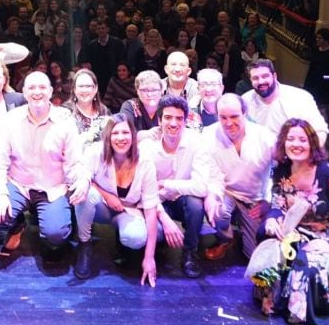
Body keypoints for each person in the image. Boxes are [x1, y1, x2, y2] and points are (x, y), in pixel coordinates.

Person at [256, 119, 329, 325]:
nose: (296, 144)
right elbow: (277, 205)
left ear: (312, 144)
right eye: (290, 139)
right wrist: (273, 220)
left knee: (304, 264)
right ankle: (275, 301)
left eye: (302, 139)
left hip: (328, 239)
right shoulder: (282, 170)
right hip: (295, 233)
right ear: (283, 143)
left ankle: (298, 309)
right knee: (265, 236)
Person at [0, 71, 89, 261]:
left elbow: (75, 162)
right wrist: (1, 194)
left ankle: (59, 223)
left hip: (52, 189)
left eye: (42, 87)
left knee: (55, 235)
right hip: (19, 185)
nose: (37, 92)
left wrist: (83, 179)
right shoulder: (11, 119)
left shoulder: (65, 122)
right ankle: (17, 225)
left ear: (51, 91)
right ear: (24, 93)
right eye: (31, 88)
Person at [73, 113, 159, 284]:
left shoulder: (145, 162)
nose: (121, 138)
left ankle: (124, 242)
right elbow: (84, 174)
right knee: (86, 193)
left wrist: (150, 258)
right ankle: (85, 245)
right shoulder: (95, 152)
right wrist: (105, 194)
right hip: (102, 208)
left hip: (128, 210)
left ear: (133, 135)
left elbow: (151, 211)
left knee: (136, 238)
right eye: (115, 133)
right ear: (108, 136)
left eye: (125, 133)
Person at [140, 95, 218, 278]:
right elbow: (145, 193)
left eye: (179, 118)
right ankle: (157, 245)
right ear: (159, 120)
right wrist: (165, 220)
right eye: (168, 117)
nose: (173, 123)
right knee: (157, 234)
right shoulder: (147, 147)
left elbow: (200, 187)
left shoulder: (197, 143)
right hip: (156, 204)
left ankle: (190, 251)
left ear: (185, 121)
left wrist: (167, 184)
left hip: (182, 200)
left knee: (195, 204)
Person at [202, 94, 275, 259]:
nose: (229, 123)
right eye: (223, 117)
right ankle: (225, 238)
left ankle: (245, 230)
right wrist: (212, 195)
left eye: (234, 116)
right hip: (227, 192)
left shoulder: (265, 137)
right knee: (217, 210)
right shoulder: (208, 135)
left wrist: (268, 201)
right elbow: (213, 175)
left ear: (245, 113)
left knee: (254, 257)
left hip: (255, 198)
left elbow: (278, 175)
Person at [242, 59, 329, 143]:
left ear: (274, 76)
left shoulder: (300, 97)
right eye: (255, 78)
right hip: (257, 156)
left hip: (291, 155)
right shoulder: (245, 100)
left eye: (265, 76)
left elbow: (320, 131)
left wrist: (306, 156)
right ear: (251, 80)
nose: (261, 81)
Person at [63, 69, 110, 135]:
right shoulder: (65, 111)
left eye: (88, 86)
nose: (84, 90)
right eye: (81, 86)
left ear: (95, 88)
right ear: (74, 89)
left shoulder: (104, 111)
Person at [119, 69, 165, 136]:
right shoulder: (130, 106)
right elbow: (124, 131)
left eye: (154, 90)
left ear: (161, 90)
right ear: (137, 91)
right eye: (144, 90)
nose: (149, 94)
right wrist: (146, 134)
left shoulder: (167, 106)